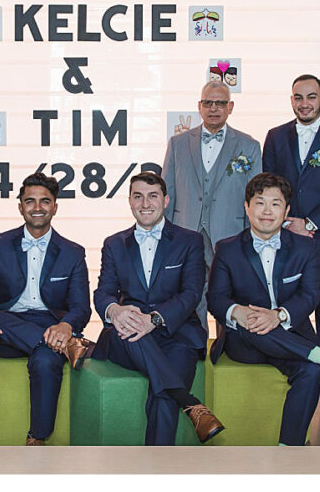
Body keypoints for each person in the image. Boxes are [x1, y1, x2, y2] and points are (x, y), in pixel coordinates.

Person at [207, 173, 320, 446]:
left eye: (275, 204)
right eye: (259, 203)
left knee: (310, 373)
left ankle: (289, 448)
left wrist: (278, 316)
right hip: (246, 342)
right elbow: (216, 298)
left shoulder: (305, 247)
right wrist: (238, 312)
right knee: (253, 321)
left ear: (287, 211)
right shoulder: (227, 249)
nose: (266, 211)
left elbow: (311, 294)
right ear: (246, 207)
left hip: (290, 335)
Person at [93, 171, 225, 445]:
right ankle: (190, 404)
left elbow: (191, 294)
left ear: (165, 201)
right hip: (127, 337)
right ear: (129, 201)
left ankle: (156, 470)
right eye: (138, 196)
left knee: (163, 395)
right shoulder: (113, 244)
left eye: (152, 196)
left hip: (176, 335)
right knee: (129, 329)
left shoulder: (189, 241)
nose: (145, 203)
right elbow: (103, 292)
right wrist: (115, 311)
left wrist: (154, 319)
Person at [0, 173, 93, 445]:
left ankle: (37, 439)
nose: (37, 207)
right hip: (3, 328)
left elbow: (81, 307)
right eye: (30, 201)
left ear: (55, 207)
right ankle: (68, 346)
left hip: (51, 327)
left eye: (45, 201)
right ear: (20, 206)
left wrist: (66, 326)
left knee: (46, 360)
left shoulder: (73, 252)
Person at [262, 74, 320, 405]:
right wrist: (288, 222)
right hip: (285, 238)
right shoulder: (275, 136)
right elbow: (269, 185)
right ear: (291, 100)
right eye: (299, 97)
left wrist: (312, 223)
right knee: (288, 309)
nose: (305, 103)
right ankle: (295, 368)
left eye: (311, 97)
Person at [163, 80, 262, 329]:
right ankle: (193, 350)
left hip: (231, 234)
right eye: (208, 103)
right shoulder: (178, 143)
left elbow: (255, 198)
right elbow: (168, 193)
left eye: (220, 103)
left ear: (230, 107)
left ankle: (227, 350)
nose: (213, 108)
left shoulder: (249, 146)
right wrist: (168, 234)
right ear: (199, 106)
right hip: (186, 232)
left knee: (228, 297)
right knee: (189, 294)